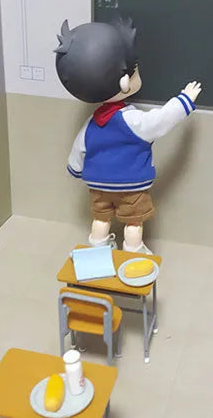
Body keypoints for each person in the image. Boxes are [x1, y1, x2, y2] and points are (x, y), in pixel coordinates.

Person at [54, 16, 202, 254]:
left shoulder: (91, 124)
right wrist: (184, 100)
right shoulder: (131, 120)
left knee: (101, 218)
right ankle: (133, 251)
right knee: (133, 222)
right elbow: (160, 120)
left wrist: (76, 170)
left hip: (98, 185)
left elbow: (78, 151)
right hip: (131, 185)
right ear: (125, 82)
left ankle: (98, 248)